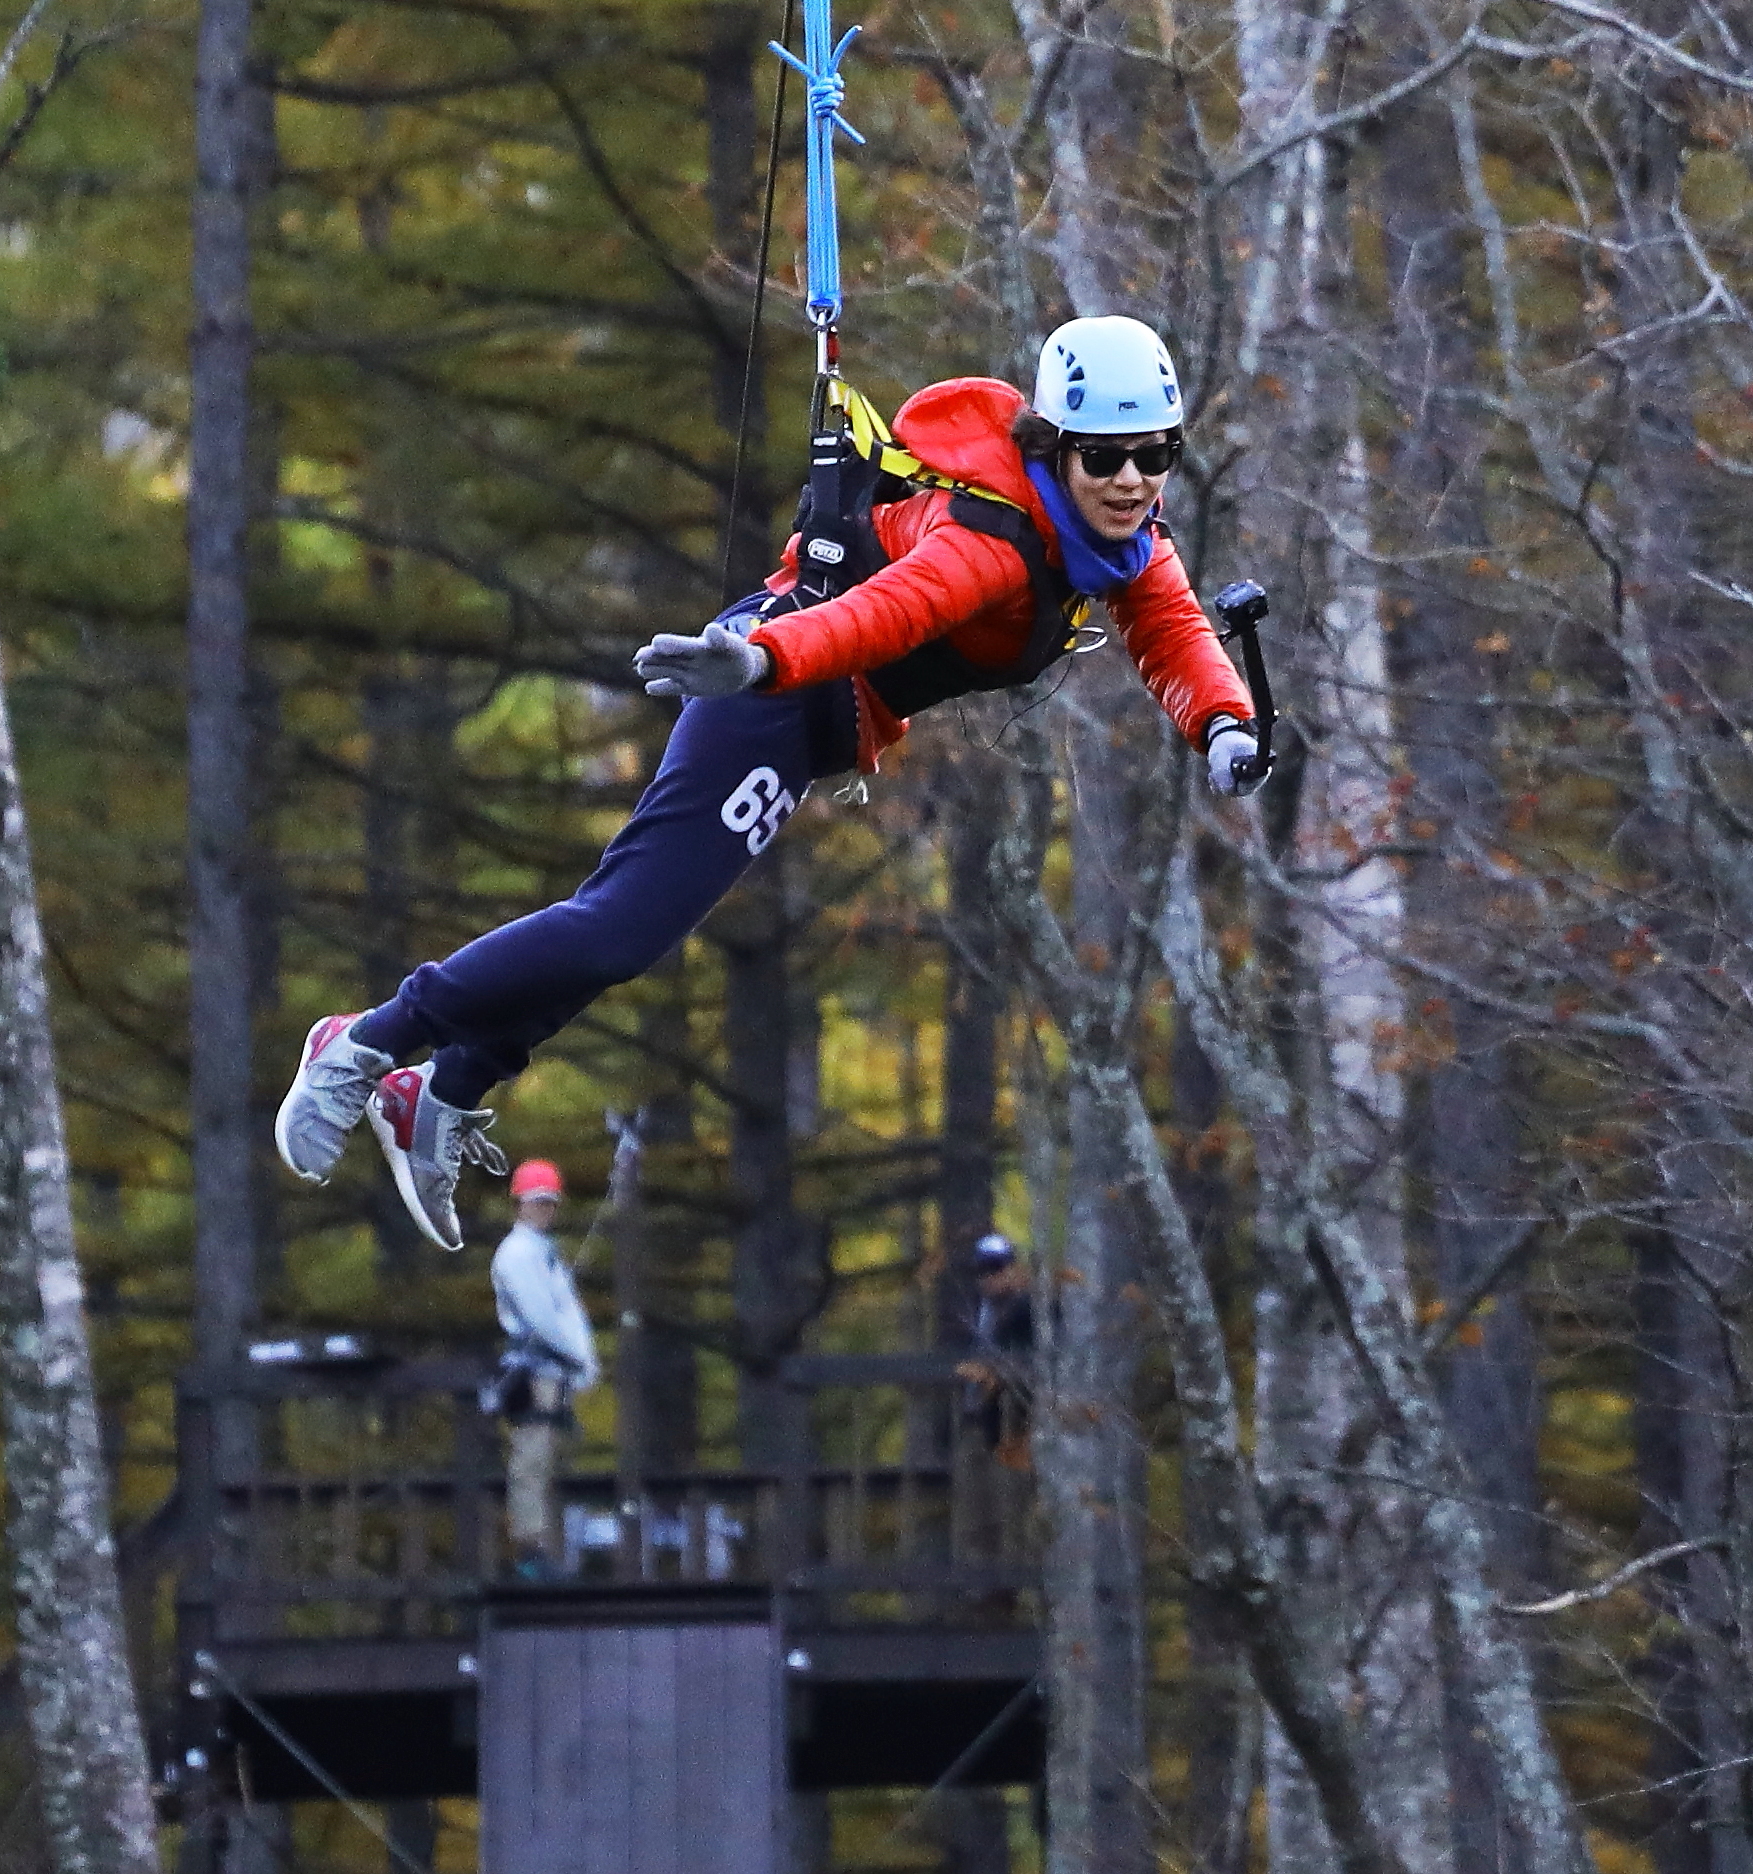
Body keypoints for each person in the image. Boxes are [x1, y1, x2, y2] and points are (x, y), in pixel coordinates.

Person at [277, 314, 1269, 1248]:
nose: (1134, 478)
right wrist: (760, 660)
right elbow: (881, 614)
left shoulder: (1118, 540)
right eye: (1107, 455)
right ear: (1052, 446)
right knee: (623, 919)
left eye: (1158, 453)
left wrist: (1225, 723)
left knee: (632, 928)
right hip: (777, 687)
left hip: (808, 714)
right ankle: (365, 1043)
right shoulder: (993, 541)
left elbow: (1174, 629)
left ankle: (444, 1085)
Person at [491, 1160, 597, 1572]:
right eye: (537, 1202)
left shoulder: (544, 1253)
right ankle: (530, 1551)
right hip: (535, 1371)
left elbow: (567, 1312)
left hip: (555, 1373)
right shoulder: (517, 1254)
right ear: (521, 1204)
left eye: (550, 1203)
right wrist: (576, 1355)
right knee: (532, 1459)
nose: (544, 1209)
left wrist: (583, 1361)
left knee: (551, 1460)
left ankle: (550, 1549)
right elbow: (542, 1317)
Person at [953, 1231, 1036, 1466]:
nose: (990, 1277)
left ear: (1013, 1268)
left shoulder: (1031, 1306)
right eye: (983, 1270)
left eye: (997, 1268)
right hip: (985, 1419)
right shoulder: (974, 1311)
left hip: (1025, 1415)